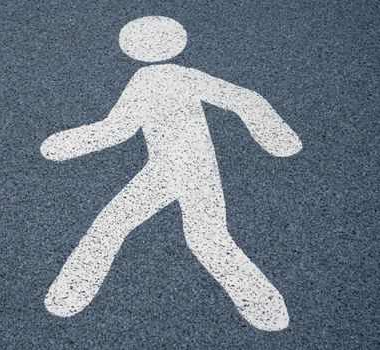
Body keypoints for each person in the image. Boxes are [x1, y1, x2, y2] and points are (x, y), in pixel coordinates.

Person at [40, 16, 302, 331]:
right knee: (205, 237)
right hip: (188, 167)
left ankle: (72, 292)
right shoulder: (188, 75)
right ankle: (264, 306)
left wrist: (65, 145)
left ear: (132, 48)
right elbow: (242, 98)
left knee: (115, 224)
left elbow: (117, 129)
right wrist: (275, 136)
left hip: (172, 168)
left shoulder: (143, 80)